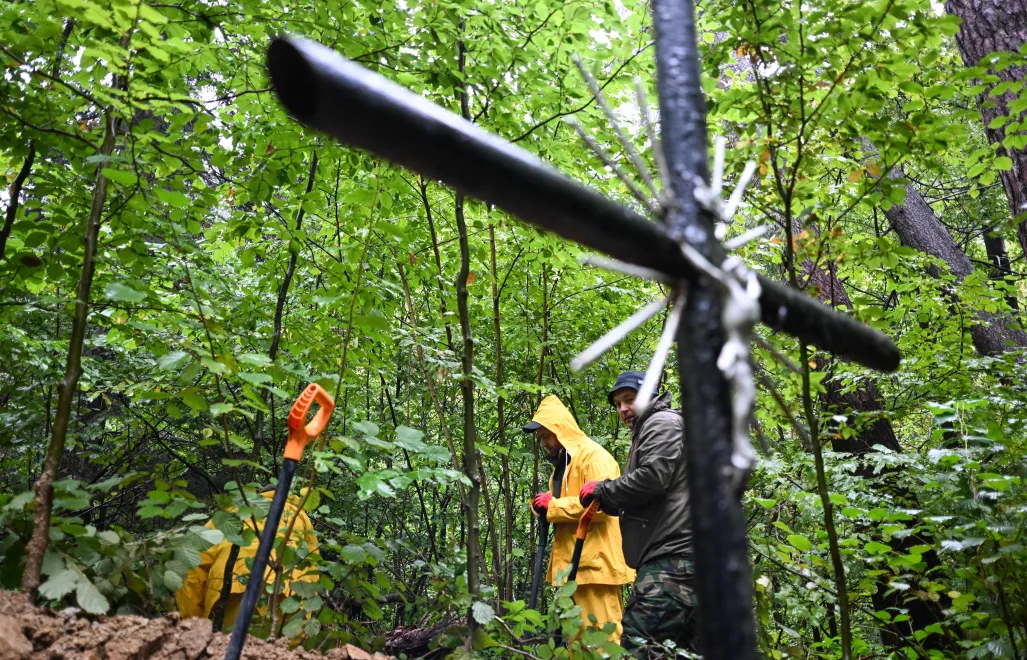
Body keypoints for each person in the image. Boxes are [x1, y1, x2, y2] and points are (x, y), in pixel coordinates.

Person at [578, 370, 697, 657]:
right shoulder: (651, 428)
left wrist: (603, 491)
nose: (623, 409)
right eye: (618, 404)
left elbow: (654, 477)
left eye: (629, 400)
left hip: (672, 564)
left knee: (637, 648)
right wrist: (609, 500)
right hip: (683, 562)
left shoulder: (661, 423)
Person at [525, 394, 634, 644]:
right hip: (573, 571)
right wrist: (543, 506)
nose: (543, 444)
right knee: (578, 644)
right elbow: (563, 505)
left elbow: (603, 505)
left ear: (559, 430)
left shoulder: (594, 457)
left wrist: (552, 507)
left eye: (545, 436)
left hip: (596, 568)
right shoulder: (562, 468)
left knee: (603, 642)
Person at [176, 487, 320, 630]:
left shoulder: (230, 512)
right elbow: (312, 564)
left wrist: (193, 624)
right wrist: (308, 605)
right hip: (288, 590)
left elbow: (194, 564)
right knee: (288, 650)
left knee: (231, 648)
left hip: (233, 587)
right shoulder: (298, 515)